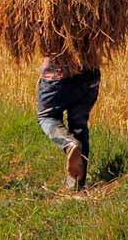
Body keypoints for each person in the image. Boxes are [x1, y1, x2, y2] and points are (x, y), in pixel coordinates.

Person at [37, 55, 99, 191]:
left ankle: (68, 143)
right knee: (79, 126)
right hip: (89, 76)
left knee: (47, 117)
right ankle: (77, 185)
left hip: (57, 78)